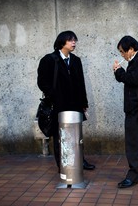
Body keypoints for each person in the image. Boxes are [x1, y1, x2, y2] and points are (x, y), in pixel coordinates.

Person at [37, 30, 95, 172]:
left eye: (75, 40)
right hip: (58, 105)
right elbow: (42, 82)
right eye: (70, 40)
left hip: (74, 104)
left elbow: (81, 83)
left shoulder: (76, 60)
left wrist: (84, 103)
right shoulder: (49, 60)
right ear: (62, 42)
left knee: (77, 135)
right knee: (60, 136)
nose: (74, 42)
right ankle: (63, 165)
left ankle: (80, 161)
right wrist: (53, 95)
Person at [113, 36, 138, 188]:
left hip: (136, 109)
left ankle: (133, 175)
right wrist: (119, 72)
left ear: (131, 49)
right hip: (136, 108)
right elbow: (129, 79)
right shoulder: (136, 61)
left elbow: (133, 79)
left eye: (123, 52)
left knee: (133, 143)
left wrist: (119, 71)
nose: (122, 55)